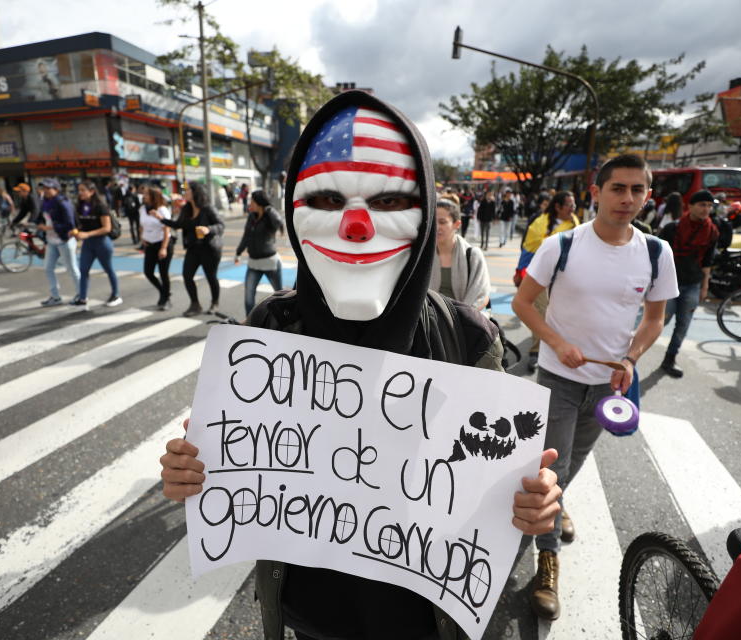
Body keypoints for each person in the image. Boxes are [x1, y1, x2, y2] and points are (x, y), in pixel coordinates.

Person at [160, 90, 562, 640]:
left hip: (422, 620)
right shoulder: (272, 326)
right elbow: (234, 469)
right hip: (310, 613)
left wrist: (532, 502)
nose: (355, 228)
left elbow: (497, 487)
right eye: (325, 200)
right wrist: (195, 467)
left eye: (390, 202)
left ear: (423, 214)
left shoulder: (468, 336)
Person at [511, 154, 678, 621]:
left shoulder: (655, 253)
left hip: (609, 384)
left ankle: (556, 505)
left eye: (637, 190)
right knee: (553, 463)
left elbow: (655, 319)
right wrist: (558, 343)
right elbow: (524, 303)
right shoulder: (561, 245)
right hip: (558, 379)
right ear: (596, 192)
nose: (627, 199)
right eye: (618, 188)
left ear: (648, 195)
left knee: (577, 459)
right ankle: (547, 561)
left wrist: (629, 359)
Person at [513, 191, 581, 373]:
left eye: (574, 205)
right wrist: (519, 271)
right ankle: (536, 350)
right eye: (569, 205)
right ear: (558, 207)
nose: (573, 209)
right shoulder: (540, 222)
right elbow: (528, 248)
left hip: (565, 278)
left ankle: (556, 346)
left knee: (559, 314)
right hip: (539, 277)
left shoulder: (575, 223)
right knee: (541, 312)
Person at [657, 189, 719, 377]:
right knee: (658, 322)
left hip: (693, 284)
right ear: (690, 206)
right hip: (668, 284)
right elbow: (658, 257)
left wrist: (705, 286)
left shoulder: (712, 231)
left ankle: (669, 359)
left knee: (683, 325)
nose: (706, 209)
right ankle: (631, 357)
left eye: (709, 206)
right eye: (702, 205)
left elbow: (708, 262)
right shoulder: (673, 228)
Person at [159, 181, 224, 316]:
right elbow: (178, 225)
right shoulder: (186, 209)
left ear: (195, 192)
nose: (185, 192)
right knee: (187, 276)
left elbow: (221, 225)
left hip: (209, 249)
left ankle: (215, 303)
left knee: (211, 277)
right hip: (193, 249)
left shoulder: (208, 208)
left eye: (187, 190)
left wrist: (208, 229)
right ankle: (195, 304)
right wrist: (161, 219)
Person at [430, 198, 491, 310]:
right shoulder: (424, 255)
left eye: (442, 222)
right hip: (430, 322)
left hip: (465, 321)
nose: (436, 227)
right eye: (433, 221)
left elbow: (481, 295)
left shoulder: (473, 255)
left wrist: (461, 317)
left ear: (457, 224)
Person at [72, 180, 121, 308]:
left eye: (83, 190)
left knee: (108, 269)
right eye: (79, 190)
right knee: (83, 269)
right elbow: (80, 224)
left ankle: (115, 295)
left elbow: (107, 228)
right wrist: (76, 232)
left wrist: (87, 234)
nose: (80, 193)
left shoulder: (100, 206)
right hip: (88, 244)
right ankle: (82, 298)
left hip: (102, 243)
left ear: (92, 191)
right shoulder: (80, 206)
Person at [235, 189, 284, 315]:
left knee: (280, 297)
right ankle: (250, 325)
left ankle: (284, 323)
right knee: (248, 297)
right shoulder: (252, 217)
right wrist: (238, 252)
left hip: (270, 263)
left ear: (258, 203)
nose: (250, 203)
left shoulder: (270, 216)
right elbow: (246, 236)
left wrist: (268, 209)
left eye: (252, 201)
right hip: (253, 264)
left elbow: (279, 223)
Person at [37, 178, 80, 307]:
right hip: (51, 240)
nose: (46, 191)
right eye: (44, 188)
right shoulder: (45, 202)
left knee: (72, 268)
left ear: (56, 189)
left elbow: (70, 224)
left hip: (64, 239)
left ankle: (81, 294)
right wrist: (38, 224)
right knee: (48, 268)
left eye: (48, 188)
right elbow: (41, 217)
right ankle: (55, 296)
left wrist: (50, 228)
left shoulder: (63, 202)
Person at [139, 187, 174, 310]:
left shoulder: (162, 210)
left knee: (163, 273)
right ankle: (164, 292)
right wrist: (142, 237)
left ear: (154, 196)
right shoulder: (143, 209)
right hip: (149, 244)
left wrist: (163, 248)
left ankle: (166, 299)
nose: (144, 196)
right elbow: (142, 224)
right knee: (148, 272)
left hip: (162, 244)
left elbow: (167, 230)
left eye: (147, 194)